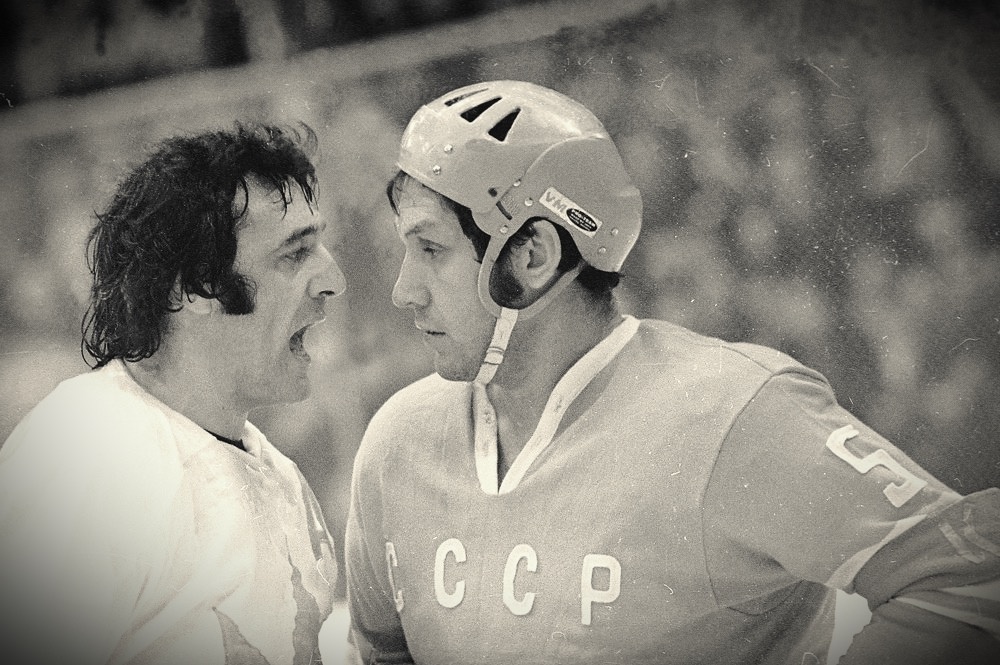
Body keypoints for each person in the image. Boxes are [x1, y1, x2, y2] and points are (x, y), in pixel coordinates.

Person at [344, 80, 1000, 664]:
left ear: (534, 255)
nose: (403, 291)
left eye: (430, 249)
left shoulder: (732, 414)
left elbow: (971, 574)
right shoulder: (397, 443)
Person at [0, 123, 345, 665]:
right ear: (196, 285)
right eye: (294, 254)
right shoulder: (87, 453)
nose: (333, 279)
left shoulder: (280, 476)